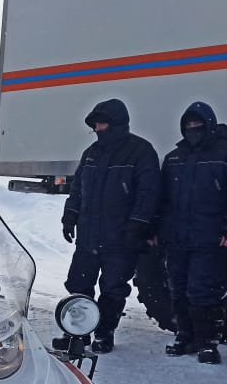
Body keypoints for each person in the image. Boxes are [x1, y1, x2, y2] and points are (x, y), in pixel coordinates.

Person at [157, 102, 227, 363]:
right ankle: (184, 335)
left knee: (203, 291)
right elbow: (162, 199)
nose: (193, 128)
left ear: (209, 124)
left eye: (197, 124)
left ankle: (207, 343)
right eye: (188, 125)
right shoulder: (174, 157)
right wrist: (157, 229)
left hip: (210, 237)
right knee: (178, 289)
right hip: (177, 237)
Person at [59, 99, 160, 353]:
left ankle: (105, 333)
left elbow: (148, 194)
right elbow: (77, 189)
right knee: (78, 284)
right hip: (88, 236)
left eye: (101, 123)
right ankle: (77, 333)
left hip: (121, 238)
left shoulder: (140, 151)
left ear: (116, 123)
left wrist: (137, 226)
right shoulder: (91, 153)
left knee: (113, 288)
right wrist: (70, 216)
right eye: (95, 125)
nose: (97, 129)